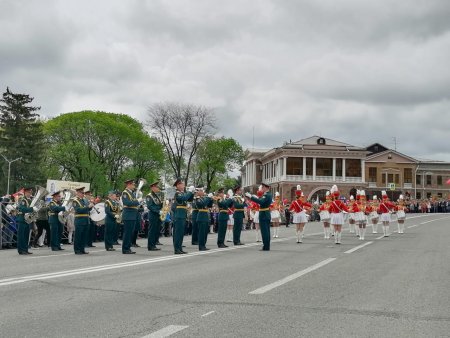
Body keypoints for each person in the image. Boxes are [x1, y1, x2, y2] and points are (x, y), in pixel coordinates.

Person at [246, 183, 272, 251]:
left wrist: (251, 197)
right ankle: (266, 245)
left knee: (264, 231)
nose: (262, 189)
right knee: (266, 231)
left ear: (266, 188)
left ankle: (266, 246)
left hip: (264, 214)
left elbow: (261, 202)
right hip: (265, 213)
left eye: (263, 187)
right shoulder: (268, 194)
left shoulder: (266, 195)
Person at [173, 178, 194, 254]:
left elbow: (190, 199)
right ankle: (177, 249)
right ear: (178, 185)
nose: (183, 185)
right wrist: (189, 191)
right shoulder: (177, 193)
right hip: (179, 214)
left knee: (181, 232)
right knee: (178, 232)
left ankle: (180, 248)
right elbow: (184, 198)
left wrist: (192, 193)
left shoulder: (183, 193)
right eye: (182, 184)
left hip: (182, 214)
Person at [16, 187, 37, 255]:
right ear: (25, 192)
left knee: (26, 236)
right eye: (29, 192)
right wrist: (32, 209)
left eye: (31, 192)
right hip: (22, 219)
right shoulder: (22, 200)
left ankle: (25, 249)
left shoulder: (29, 200)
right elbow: (23, 209)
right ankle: (21, 250)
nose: (30, 194)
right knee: (21, 236)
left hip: (28, 220)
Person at [72, 187, 93, 254]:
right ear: (77, 193)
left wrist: (91, 206)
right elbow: (78, 210)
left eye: (83, 193)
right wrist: (88, 207)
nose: (83, 194)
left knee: (84, 236)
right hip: (79, 220)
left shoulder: (83, 200)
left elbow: (87, 210)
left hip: (85, 220)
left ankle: (82, 249)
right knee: (78, 236)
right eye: (82, 193)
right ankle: (77, 250)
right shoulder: (75, 201)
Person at [121, 179, 139, 254]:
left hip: (132, 215)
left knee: (130, 232)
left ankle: (128, 247)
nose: (134, 186)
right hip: (128, 215)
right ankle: (125, 249)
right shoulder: (125, 193)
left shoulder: (132, 193)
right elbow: (127, 203)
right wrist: (137, 201)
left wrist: (137, 202)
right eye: (133, 185)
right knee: (127, 233)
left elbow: (133, 203)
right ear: (129, 185)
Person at [146, 180, 163, 251]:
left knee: (156, 230)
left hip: (158, 215)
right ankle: (150, 246)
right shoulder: (149, 196)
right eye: (156, 187)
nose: (158, 188)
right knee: (152, 230)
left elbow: (159, 204)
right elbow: (150, 206)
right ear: (153, 187)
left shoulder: (157, 196)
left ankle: (154, 244)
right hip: (153, 214)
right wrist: (158, 211)